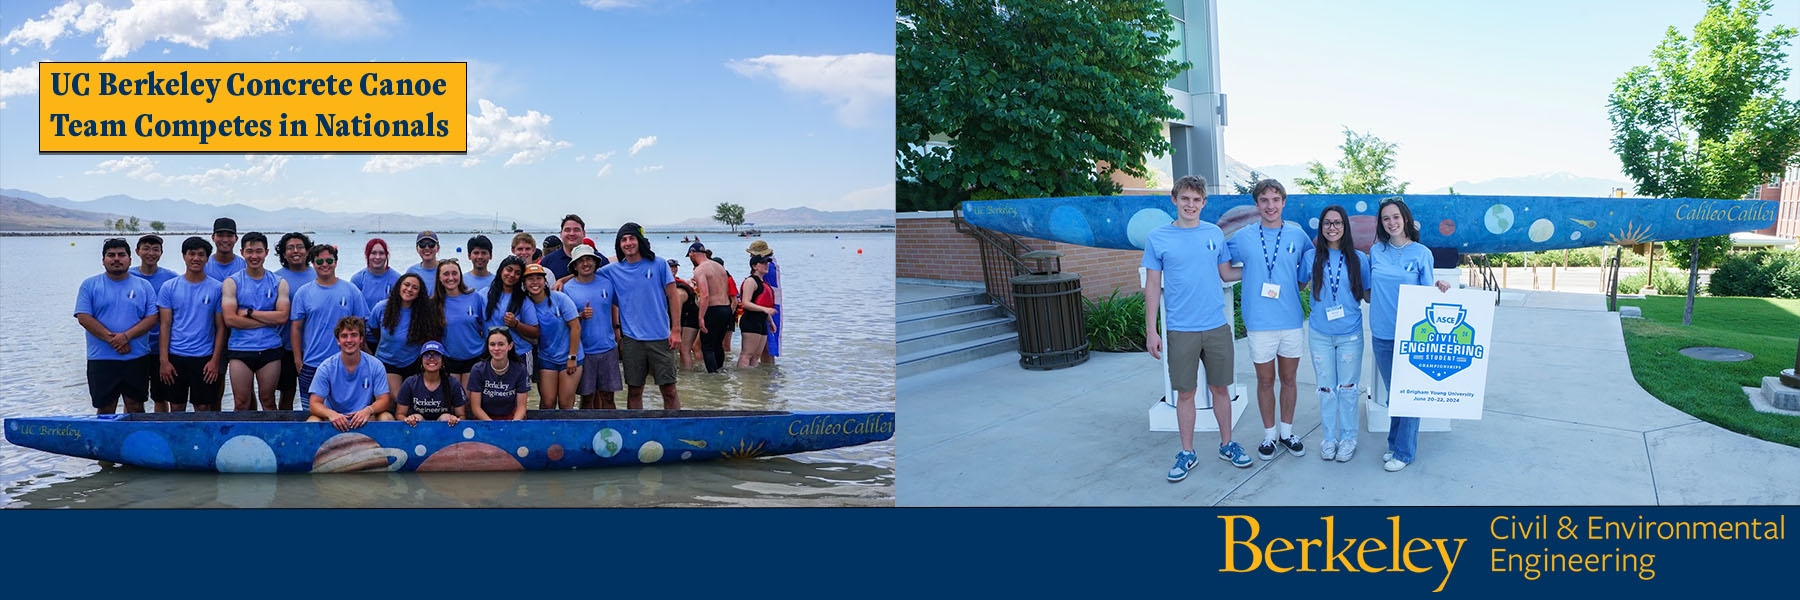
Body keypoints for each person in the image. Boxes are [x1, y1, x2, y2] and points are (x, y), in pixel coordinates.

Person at [1144, 175, 1249, 482]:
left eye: (1196, 200)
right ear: (1174, 200)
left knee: (1221, 389)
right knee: (1186, 393)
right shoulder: (1158, 238)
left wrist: (1259, 267)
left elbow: (1227, 273)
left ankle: (1227, 445)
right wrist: (1152, 330)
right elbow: (1152, 285)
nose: (1190, 205)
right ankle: (1187, 452)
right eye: (1185, 199)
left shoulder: (1214, 233)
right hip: (1180, 330)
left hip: (1216, 326)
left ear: (1204, 203)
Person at [1226, 179, 1313, 461]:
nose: (1270, 205)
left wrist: (1290, 285)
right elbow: (1223, 266)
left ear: (1283, 202)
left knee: (1289, 378)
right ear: (1256, 204)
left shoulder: (1298, 236)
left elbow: (1307, 270)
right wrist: (1249, 276)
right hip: (1259, 322)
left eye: (1275, 199)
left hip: (1290, 320)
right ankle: (1269, 435)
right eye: (1264, 200)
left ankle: (1287, 432)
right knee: (1265, 381)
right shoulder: (1243, 236)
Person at [1369, 197, 1453, 473]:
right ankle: (1394, 444)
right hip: (1381, 332)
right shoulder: (1376, 251)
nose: (1391, 222)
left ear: (1405, 219)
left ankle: (1404, 453)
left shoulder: (1421, 253)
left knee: (1410, 396)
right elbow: (1370, 292)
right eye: (1385, 218)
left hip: (1410, 335)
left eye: (1395, 217)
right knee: (1396, 394)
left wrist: (1441, 286)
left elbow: (1427, 295)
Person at [1297, 206, 1371, 463]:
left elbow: (1371, 293)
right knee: (1326, 389)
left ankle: (1349, 437)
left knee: (1349, 389)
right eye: (1327, 223)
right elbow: (1296, 285)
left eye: (1337, 223)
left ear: (1344, 226)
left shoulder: (1359, 259)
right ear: (1321, 227)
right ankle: (1329, 438)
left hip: (1350, 334)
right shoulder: (1311, 258)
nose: (1332, 227)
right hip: (1320, 334)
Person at [600, 222, 681, 410]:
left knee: (669, 390)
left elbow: (673, 296)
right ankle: (636, 429)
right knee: (635, 391)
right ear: (619, 244)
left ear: (640, 241)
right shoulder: (613, 270)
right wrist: (563, 280)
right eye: (623, 240)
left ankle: (674, 428)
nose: (628, 243)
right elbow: (585, 272)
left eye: (632, 238)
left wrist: (676, 329)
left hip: (661, 337)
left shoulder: (659, 263)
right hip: (632, 340)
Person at [75, 238, 159, 415]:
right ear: (103, 259)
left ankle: (135, 442)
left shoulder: (144, 286)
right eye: (111, 255)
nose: (116, 259)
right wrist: (114, 340)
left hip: (136, 357)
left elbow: (152, 318)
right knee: (105, 408)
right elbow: (83, 317)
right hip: (102, 359)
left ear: (130, 258)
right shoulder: (90, 285)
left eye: (121, 255)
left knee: (136, 406)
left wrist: (126, 336)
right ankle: (105, 442)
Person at [289, 244, 369, 412]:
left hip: (345, 363)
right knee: (311, 413)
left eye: (329, 260)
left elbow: (361, 327)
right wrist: (297, 360)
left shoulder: (351, 290)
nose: (324, 264)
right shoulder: (303, 293)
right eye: (319, 261)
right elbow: (296, 328)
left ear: (336, 262)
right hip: (312, 364)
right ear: (313, 263)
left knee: (345, 413)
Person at [221, 232, 291, 411]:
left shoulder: (278, 282)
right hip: (240, 349)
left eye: (259, 251)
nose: (254, 256)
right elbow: (230, 319)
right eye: (249, 251)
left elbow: (283, 317)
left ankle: (272, 438)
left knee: (268, 401)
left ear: (266, 252)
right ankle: (239, 438)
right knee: (241, 402)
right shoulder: (232, 282)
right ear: (242, 252)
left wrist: (250, 313)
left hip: (270, 348)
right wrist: (269, 319)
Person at [156, 236, 227, 412]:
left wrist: (215, 361)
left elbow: (221, 327)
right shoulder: (169, 287)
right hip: (176, 355)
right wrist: (164, 361)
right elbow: (164, 325)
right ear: (184, 256)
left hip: (204, 357)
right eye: (192, 254)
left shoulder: (217, 288)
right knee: (177, 406)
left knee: (203, 407)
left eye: (201, 255)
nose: (196, 258)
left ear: (207, 258)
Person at [306, 316, 393, 430]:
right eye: (344, 336)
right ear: (338, 341)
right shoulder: (326, 368)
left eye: (354, 335)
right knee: (312, 421)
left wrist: (368, 410)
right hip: (334, 421)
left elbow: (384, 399)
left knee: (386, 417)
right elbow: (314, 404)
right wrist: (331, 414)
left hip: (364, 419)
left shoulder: (375, 365)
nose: (349, 340)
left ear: (361, 339)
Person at [561, 243, 621, 409]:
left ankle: (611, 433)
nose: (585, 263)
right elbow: (563, 323)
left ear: (595, 262)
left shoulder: (607, 283)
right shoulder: (567, 288)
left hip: (608, 348)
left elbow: (621, 304)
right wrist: (579, 316)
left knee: (608, 398)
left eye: (589, 259)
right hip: (583, 351)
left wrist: (618, 330)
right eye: (581, 261)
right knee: (586, 398)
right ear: (574, 265)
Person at [370, 272, 443, 397]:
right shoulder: (381, 308)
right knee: (398, 397)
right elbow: (374, 330)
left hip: (413, 361)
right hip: (387, 361)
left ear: (419, 293)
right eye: (406, 285)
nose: (409, 289)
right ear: (399, 286)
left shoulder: (423, 312)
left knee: (415, 398)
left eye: (415, 288)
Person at [523, 263, 583, 409]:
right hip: (546, 357)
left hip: (569, 356)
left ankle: (567, 432)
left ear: (545, 282)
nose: (535, 282)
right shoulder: (525, 304)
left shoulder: (560, 299)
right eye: (530, 279)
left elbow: (575, 327)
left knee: (565, 403)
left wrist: (572, 357)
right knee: (548, 402)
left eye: (538, 278)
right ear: (524, 284)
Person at [131, 233, 180, 407]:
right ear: (137, 251)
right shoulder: (127, 276)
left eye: (155, 249)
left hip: (162, 347)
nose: (150, 253)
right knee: (134, 397)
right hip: (135, 346)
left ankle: (162, 429)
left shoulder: (171, 278)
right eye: (146, 249)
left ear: (161, 252)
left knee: (161, 396)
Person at [272, 232, 314, 410]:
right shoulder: (275, 278)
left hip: (313, 347)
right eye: (290, 248)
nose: (295, 251)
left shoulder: (318, 275)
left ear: (308, 251)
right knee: (287, 392)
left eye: (300, 247)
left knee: (315, 395)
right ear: (283, 253)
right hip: (284, 346)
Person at [481, 256, 540, 376]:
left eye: (517, 273)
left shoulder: (523, 300)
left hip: (519, 354)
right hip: (492, 353)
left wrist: (516, 324)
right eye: (509, 269)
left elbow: (536, 332)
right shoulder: (483, 294)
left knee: (519, 393)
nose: (512, 275)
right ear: (501, 270)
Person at [434, 259, 485, 388]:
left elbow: (484, 324)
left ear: (460, 276)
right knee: (454, 401)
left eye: (454, 273)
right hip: (449, 358)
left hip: (475, 355)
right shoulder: (434, 303)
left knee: (468, 400)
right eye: (446, 274)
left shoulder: (474, 296)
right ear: (439, 278)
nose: (451, 278)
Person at [395, 341, 466, 426]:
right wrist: (408, 419)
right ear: (421, 360)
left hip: (445, 429)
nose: (431, 358)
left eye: (436, 355)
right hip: (417, 429)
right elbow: (399, 414)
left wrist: (454, 419)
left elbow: (462, 415)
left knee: (445, 417)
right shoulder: (410, 383)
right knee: (417, 417)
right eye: (426, 355)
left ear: (443, 361)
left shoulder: (453, 383)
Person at [468, 327, 531, 421]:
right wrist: (493, 426)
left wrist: (512, 425)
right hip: (485, 418)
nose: (496, 348)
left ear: (510, 346)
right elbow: (476, 408)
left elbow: (521, 407)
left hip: (512, 417)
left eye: (501, 344)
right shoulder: (477, 370)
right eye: (492, 344)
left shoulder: (520, 369)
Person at [689, 242, 732, 372]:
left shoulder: (700, 269)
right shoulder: (719, 267)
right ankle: (720, 372)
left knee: (707, 346)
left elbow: (705, 295)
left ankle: (712, 377)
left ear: (692, 254)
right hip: (726, 308)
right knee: (718, 344)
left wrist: (701, 317)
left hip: (713, 309)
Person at [736, 255, 779, 368]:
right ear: (755, 266)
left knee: (756, 355)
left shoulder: (763, 283)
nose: (766, 265)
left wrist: (771, 322)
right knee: (747, 354)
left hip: (761, 320)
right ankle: (743, 378)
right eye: (763, 263)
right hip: (750, 320)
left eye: (767, 263)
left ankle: (753, 381)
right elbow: (746, 302)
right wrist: (765, 310)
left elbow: (764, 304)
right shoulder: (751, 281)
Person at [542, 214, 608, 281]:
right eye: (567, 230)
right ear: (561, 234)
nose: (572, 233)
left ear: (584, 233)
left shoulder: (600, 260)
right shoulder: (547, 262)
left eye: (576, 230)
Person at [746, 240, 780, 365]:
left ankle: (767, 371)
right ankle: (767, 372)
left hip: (768, 306)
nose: (750, 257)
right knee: (767, 344)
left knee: (768, 345)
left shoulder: (766, 267)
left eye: (752, 255)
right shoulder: (771, 264)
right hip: (769, 305)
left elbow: (760, 288)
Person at [350, 238, 400, 321]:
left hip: (387, 328)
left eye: (381, 253)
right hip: (363, 329)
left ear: (386, 255)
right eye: (373, 253)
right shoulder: (357, 279)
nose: (377, 257)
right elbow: (353, 309)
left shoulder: (397, 279)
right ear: (367, 255)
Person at [669, 258, 702, 369]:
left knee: (684, 349)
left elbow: (679, 303)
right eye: (671, 267)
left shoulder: (680, 285)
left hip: (689, 316)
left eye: (675, 266)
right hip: (685, 315)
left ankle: (686, 376)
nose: (673, 269)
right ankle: (685, 375)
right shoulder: (672, 283)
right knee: (680, 348)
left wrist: (675, 327)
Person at [204, 217, 246, 281]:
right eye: (220, 235)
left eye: (229, 236)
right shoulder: (203, 266)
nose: (225, 240)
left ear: (236, 239)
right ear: (213, 237)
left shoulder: (245, 266)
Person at [407, 230, 442, 295]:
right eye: (422, 244)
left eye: (431, 244)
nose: (427, 248)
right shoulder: (411, 271)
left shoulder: (446, 270)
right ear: (417, 249)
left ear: (438, 248)